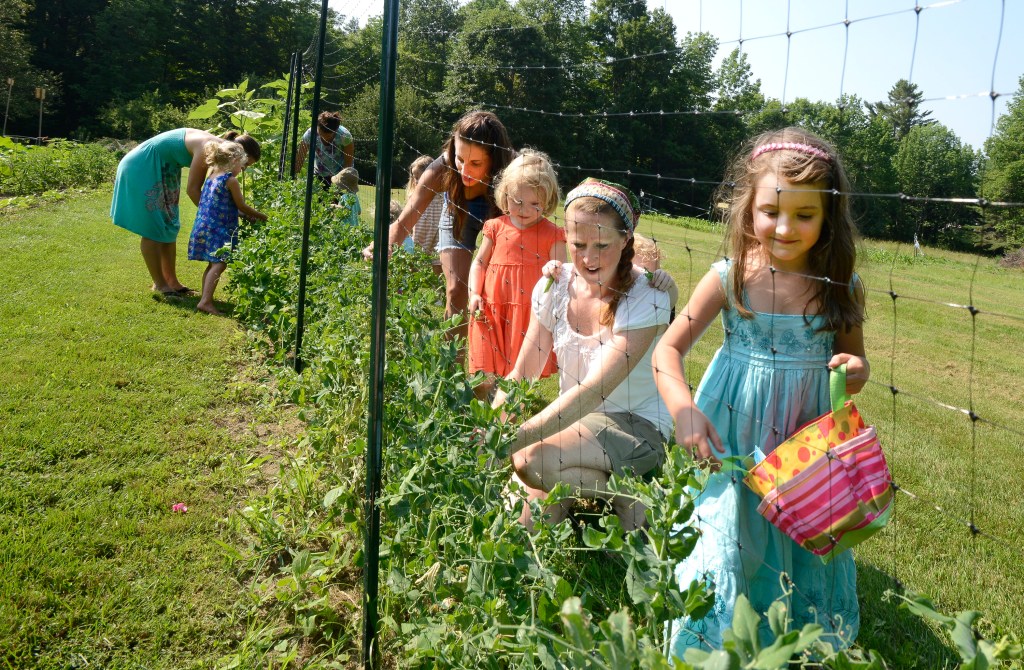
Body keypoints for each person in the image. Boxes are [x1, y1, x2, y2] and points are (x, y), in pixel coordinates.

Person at [651, 127, 869, 656]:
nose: (785, 227)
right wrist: (684, 411)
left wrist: (853, 368)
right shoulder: (728, 279)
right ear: (749, 209)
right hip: (733, 424)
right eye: (771, 210)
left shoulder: (842, 286)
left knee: (798, 527)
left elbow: (857, 361)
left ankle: (793, 628)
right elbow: (667, 351)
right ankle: (718, 631)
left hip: (804, 433)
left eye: (805, 215)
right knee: (732, 528)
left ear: (828, 218)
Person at [493, 178, 674, 531]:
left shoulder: (647, 296)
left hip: (634, 424)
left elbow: (594, 389)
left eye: (602, 244)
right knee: (515, 527)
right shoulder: (553, 286)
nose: (589, 258)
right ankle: (614, 495)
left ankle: (627, 497)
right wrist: (491, 426)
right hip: (575, 425)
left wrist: (513, 438)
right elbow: (522, 372)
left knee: (531, 458)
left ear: (626, 240)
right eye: (578, 244)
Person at [362, 110, 515, 345]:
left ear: (494, 160)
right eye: (460, 159)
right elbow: (403, 222)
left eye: (476, 163)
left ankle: (491, 371)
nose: (464, 170)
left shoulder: (510, 173)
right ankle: (451, 372)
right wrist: (384, 243)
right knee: (455, 290)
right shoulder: (441, 168)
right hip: (457, 213)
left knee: (494, 291)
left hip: (497, 217)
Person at [111, 128, 261, 296]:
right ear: (237, 155)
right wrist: (213, 218)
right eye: (245, 164)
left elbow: (213, 196)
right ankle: (160, 284)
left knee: (169, 225)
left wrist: (236, 213)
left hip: (166, 167)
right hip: (145, 164)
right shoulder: (209, 147)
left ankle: (171, 282)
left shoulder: (221, 153)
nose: (243, 169)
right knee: (153, 227)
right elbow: (193, 190)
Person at [467, 149, 566, 400]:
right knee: (483, 374)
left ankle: (506, 417)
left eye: (535, 204)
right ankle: (482, 412)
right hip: (490, 308)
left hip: (526, 314)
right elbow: (479, 262)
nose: (525, 210)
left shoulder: (553, 233)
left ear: (547, 202)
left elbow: (562, 273)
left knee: (517, 376)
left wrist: (556, 269)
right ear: (505, 194)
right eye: (517, 201)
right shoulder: (496, 227)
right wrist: (474, 293)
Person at [188, 140, 267, 315]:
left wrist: (245, 217)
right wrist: (263, 217)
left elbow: (222, 203)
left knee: (213, 264)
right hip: (220, 227)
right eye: (242, 165)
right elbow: (242, 205)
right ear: (233, 162)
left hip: (205, 224)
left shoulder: (212, 175)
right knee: (220, 263)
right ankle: (206, 301)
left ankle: (206, 299)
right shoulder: (231, 181)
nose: (242, 169)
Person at [293, 111, 354, 190]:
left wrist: (339, 184)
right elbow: (299, 159)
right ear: (318, 128)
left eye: (329, 136)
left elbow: (348, 164)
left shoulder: (345, 136)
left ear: (335, 131)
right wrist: (293, 181)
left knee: (339, 201)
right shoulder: (310, 134)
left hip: (340, 174)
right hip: (320, 174)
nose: (325, 138)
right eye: (322, 134)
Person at [406, 155, 445, 268]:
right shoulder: (413, 196)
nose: (416, 180)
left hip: (437, 236)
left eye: (420, 176)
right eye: (414, 177)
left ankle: (437, 285)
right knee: (414, 264)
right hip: (419, 236)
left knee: (437, 263)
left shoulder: (441, 195)